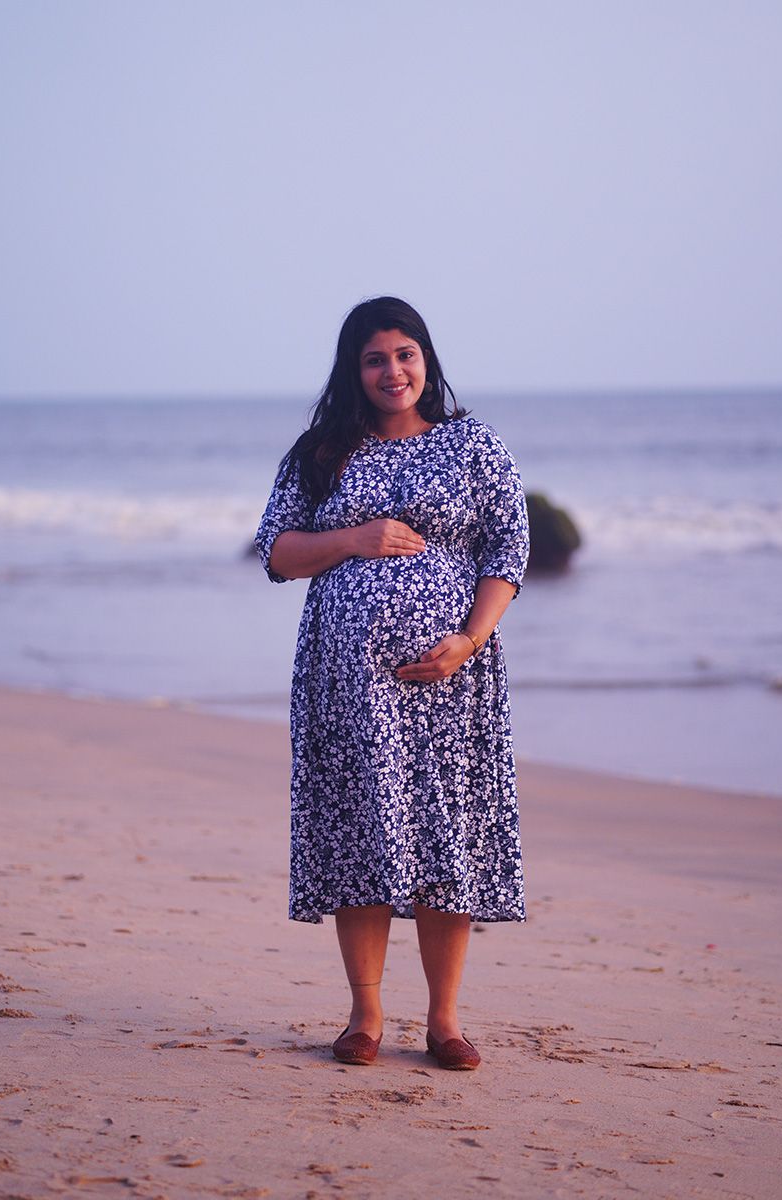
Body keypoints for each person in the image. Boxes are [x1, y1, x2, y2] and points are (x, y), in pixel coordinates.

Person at [254, 296, 529, 1071]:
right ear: (354, 370)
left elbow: (509, 551)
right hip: (345, 683)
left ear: (427, 360)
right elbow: (277, 554)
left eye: (405, 354)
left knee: (449, 835)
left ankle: (444, 1023)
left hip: (454, 680)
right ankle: (365, 1016)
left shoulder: (474, 444)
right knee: (359, 831)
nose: (392, 371)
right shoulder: (321, 453)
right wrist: (355, 538)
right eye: (374, 358)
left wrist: (469, 640)